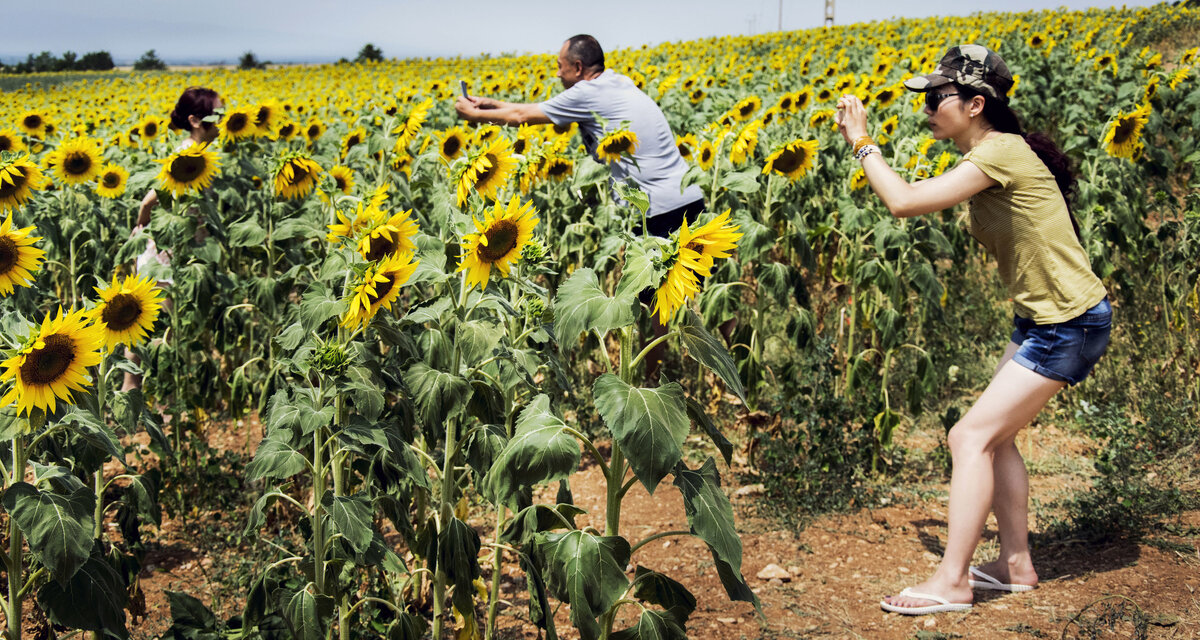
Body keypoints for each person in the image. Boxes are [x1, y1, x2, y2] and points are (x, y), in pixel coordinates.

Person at [834, 45, 1111, 615]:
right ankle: (1014, 565)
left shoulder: (1002, 152)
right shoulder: (988, 155)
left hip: (1067, 324)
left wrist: (863, 142)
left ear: (976, 103)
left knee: (969, 437)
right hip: (1044, 320)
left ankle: (953, 582)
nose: (928, 108)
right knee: (996, 436)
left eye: (938, 98)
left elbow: (904, 202)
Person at [455, 34, 706, 375]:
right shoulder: (617, 83)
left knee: (650, 301)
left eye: (560, 67)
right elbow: (539, 111)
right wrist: (488, 104)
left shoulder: (586, 93)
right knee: (703, 292)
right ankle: (718, 363)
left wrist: (473, 114)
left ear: (577, 67)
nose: (557, 74)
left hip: (653, 207)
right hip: (688, 194)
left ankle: (653, 376)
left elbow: (522, 116)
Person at [123, 86, 222, 391]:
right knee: (152, 327)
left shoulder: (201, 154)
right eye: (215, 115)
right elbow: (150, 198)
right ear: (195, 120)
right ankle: (134, 391)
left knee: (162, 327)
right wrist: (141, 226)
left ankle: (149, 393)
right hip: (164, 253)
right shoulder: (186, 154)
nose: (221, 121)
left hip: (178, 248)